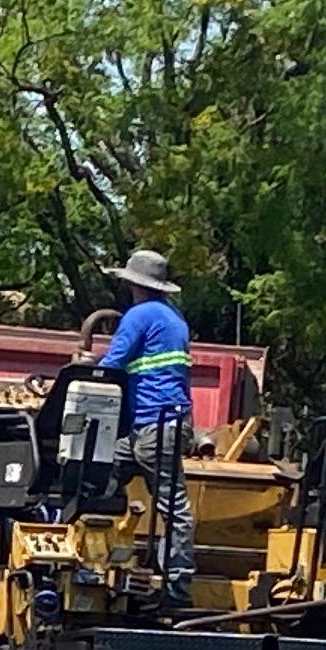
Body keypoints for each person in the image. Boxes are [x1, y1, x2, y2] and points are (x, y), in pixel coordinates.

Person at [95, 245, 198, 596]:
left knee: (171, 504)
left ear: (134, 285)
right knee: (104, 472)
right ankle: (110, 555)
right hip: (161, 425)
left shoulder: (139, 316)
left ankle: (176, 583)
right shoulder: (174, 319)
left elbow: (113, 363)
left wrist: (84, 370)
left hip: (154, 426)